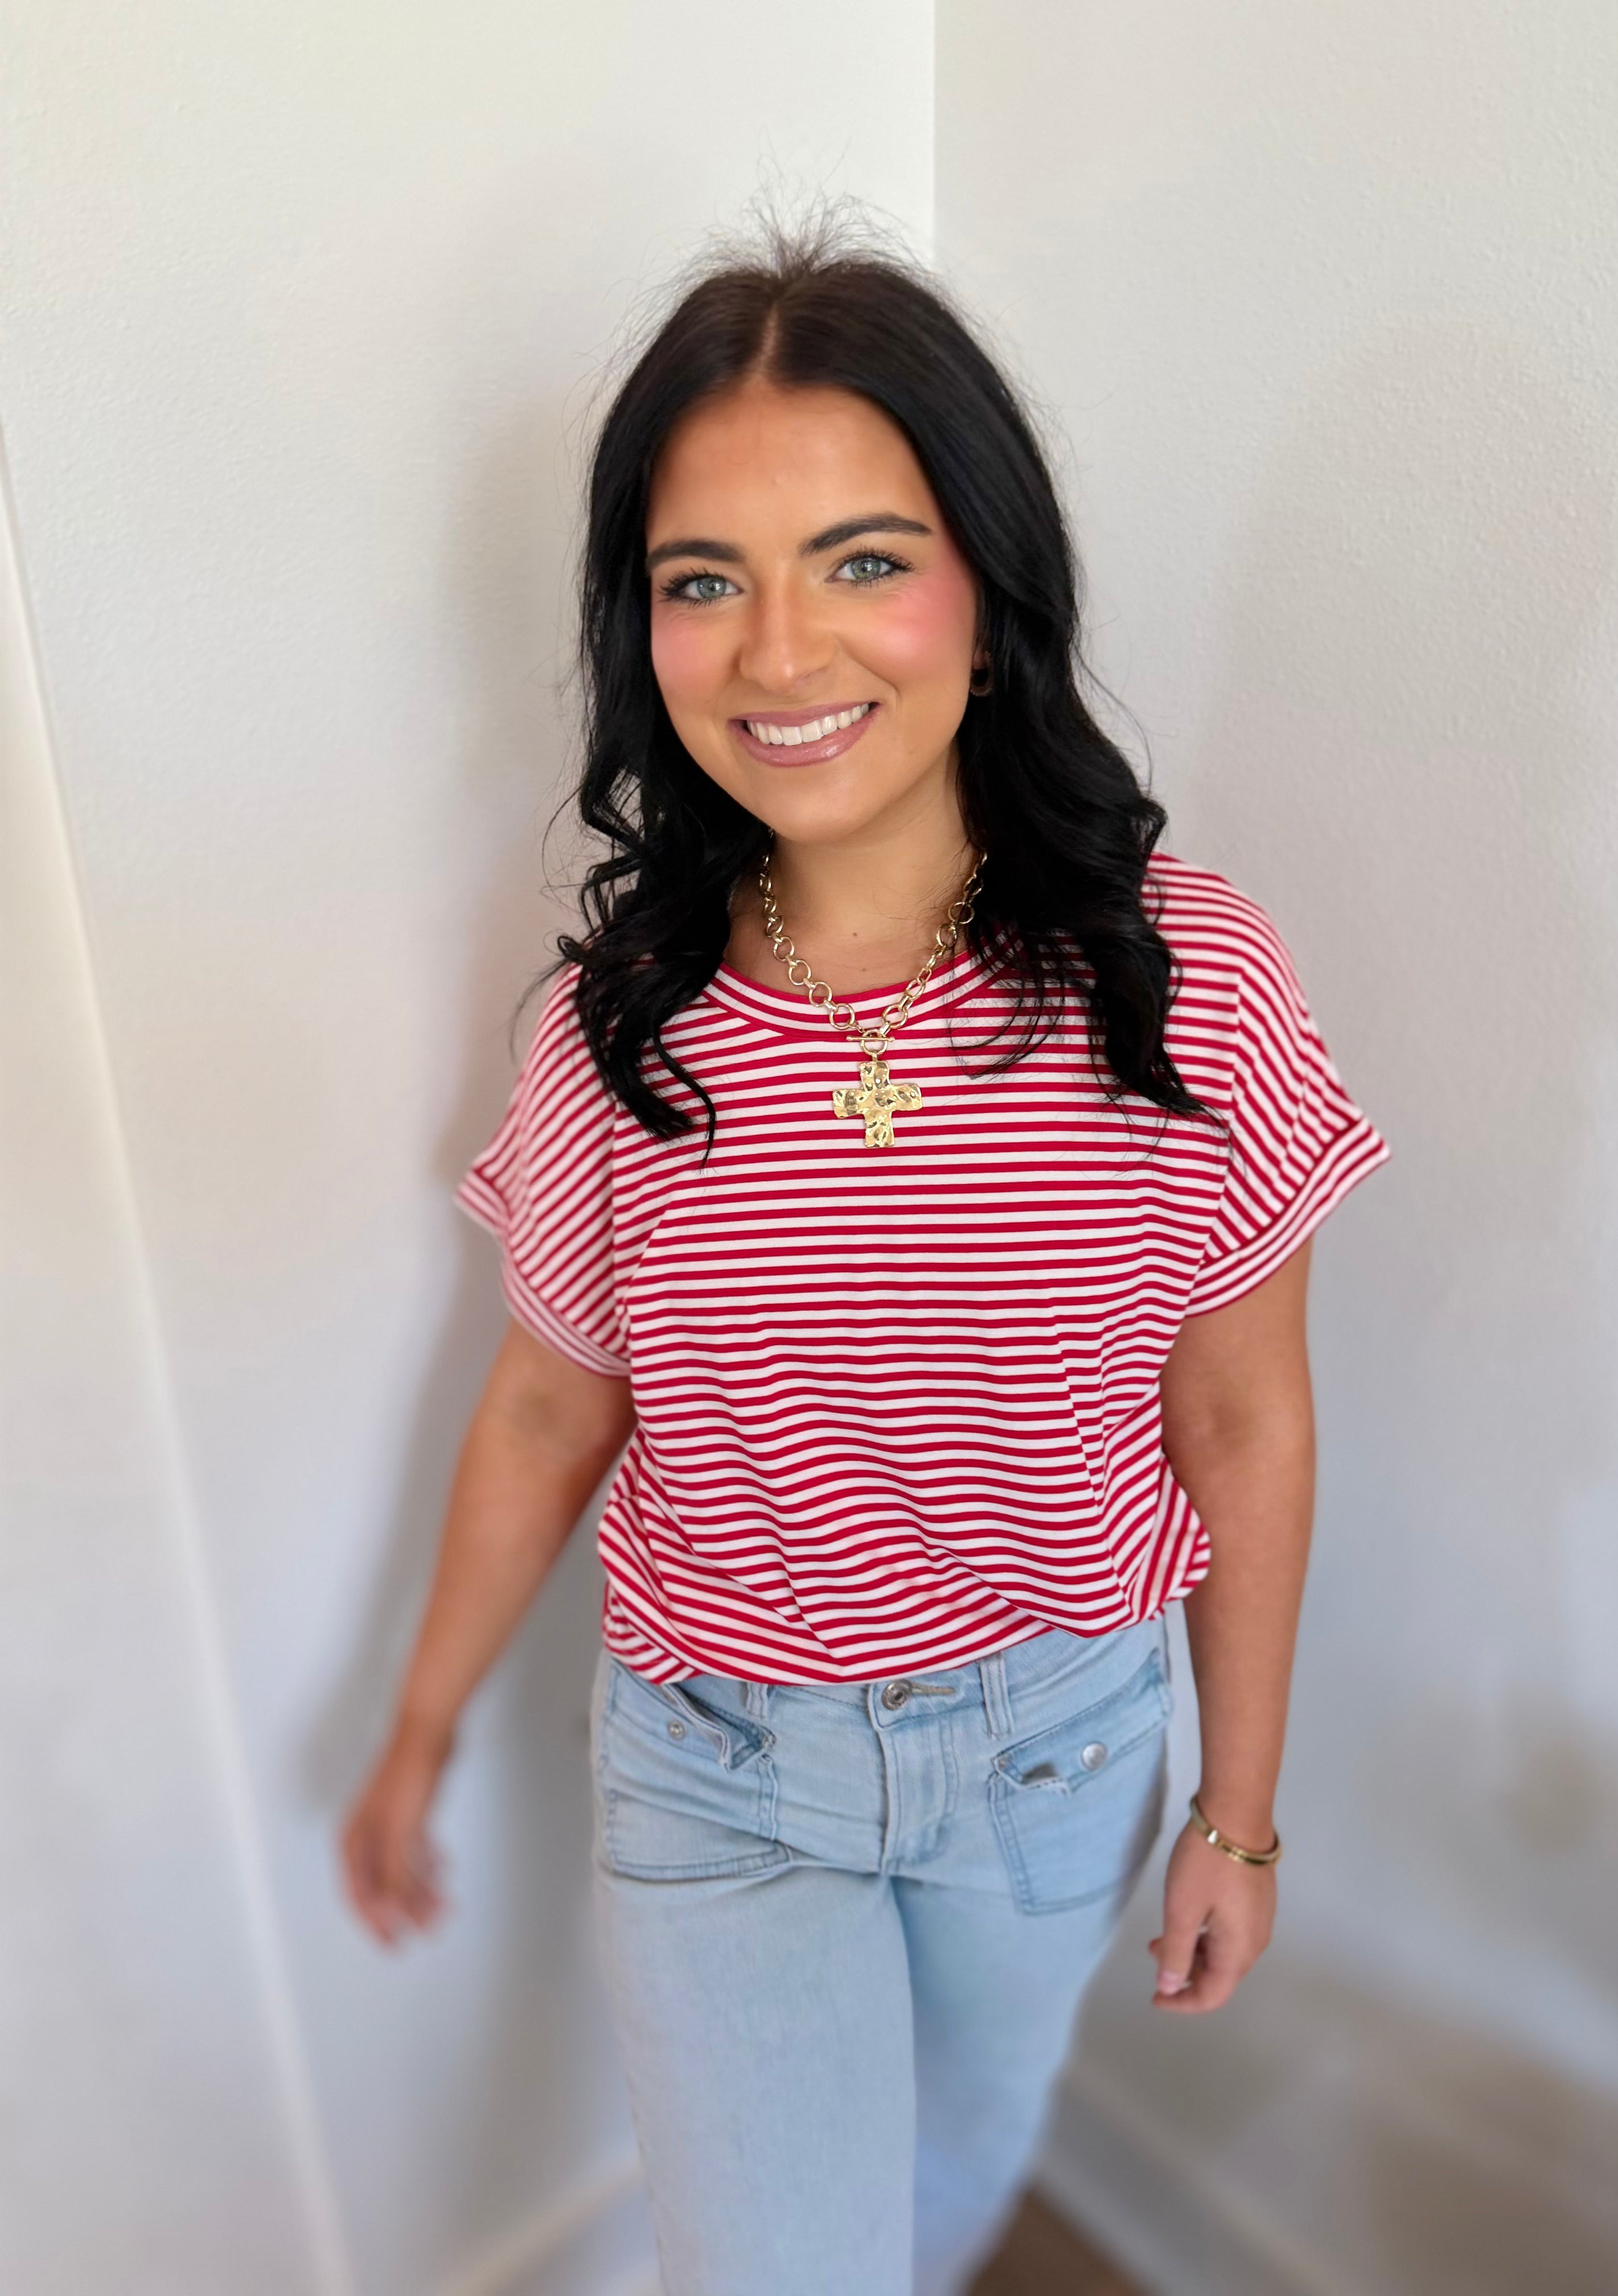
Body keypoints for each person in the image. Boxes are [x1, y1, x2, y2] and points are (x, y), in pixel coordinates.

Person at [339, 218, 1389, 2296]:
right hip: (716, 1764)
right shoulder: (617, 1027)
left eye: (861, 560)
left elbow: (1244, 1419)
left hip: (1057, 1754)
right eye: (701, 581)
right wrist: (420, 1725)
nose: (779, 653)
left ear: (987, 595)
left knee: (952, 2181)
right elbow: (550, 1406)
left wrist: (1240, 1810)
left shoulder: (1182, 981)